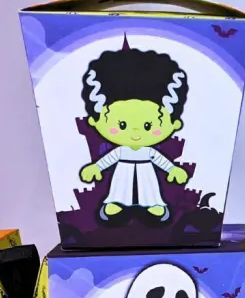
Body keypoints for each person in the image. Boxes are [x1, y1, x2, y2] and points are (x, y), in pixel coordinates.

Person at [78, 46, 190, 222]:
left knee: (149, 189)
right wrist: (96, 167)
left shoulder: (148, 152)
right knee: (119, 188)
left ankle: (153, 204)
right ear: (95, 121)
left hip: (146, 170)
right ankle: (116, 202)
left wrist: (172, 169)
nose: (136, 133)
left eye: (148, 126)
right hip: (123, 169)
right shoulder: (121, 151)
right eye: (122, 125)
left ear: (174, 124)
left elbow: (159, 160)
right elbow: (109, 159)